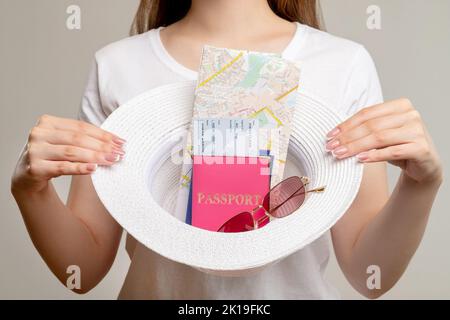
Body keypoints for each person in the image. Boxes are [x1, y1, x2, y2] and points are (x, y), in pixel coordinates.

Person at [11, 0, 443, 299]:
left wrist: (421, 185)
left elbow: (371, 277)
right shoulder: (117, 66)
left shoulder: (343, 64)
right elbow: (81, 273)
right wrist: (30, 191)